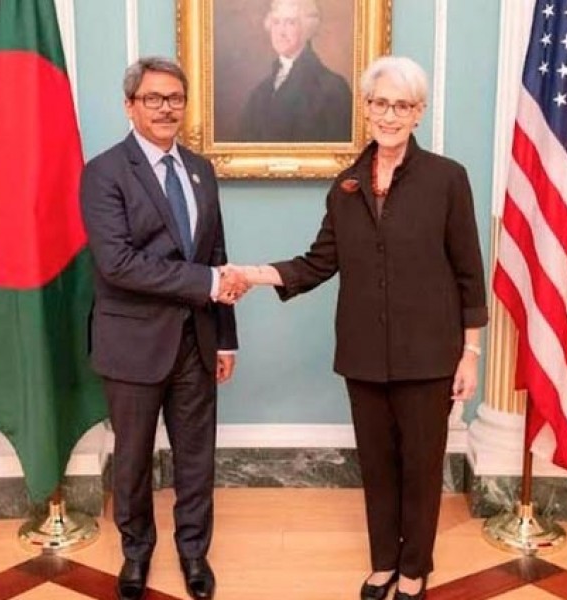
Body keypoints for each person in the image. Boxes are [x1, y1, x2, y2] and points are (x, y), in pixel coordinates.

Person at [234, 56, 487, 600]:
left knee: (421, 466)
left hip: (429, 355)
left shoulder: (447, 178)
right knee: (377, 465)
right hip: (363, 354)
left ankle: (414, 568)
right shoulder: (346, 185)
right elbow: (318, 262)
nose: (389, 115)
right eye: (380, 103)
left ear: (418, 112)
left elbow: (469, 271)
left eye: (402, 105)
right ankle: (384, 562)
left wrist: (470, 353)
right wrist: (254, 274)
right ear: (366, 109)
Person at [80, 56, 248, 600]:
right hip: (132, 345)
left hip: (197, 341)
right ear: (129, 106)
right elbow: (118, 264)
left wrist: (226, 338)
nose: (166, 108)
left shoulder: (200, 169)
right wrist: (206, 282)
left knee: (196, 457)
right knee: (132, 460)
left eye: (175, 98)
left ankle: (194, 551)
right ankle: (136, 553)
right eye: (152, 98)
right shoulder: (104, 172)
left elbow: (216, 254)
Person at [236, 0, 352, 142]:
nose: (281, 32)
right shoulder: (260, 92)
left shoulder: (333, 88)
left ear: (307, 30)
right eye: (276, 22)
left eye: (290, 23)